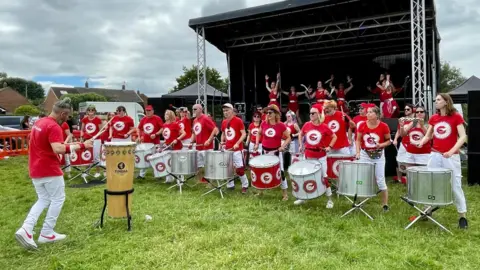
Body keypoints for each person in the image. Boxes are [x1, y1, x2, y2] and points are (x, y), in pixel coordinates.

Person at [15, 98, 93, 250]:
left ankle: (26, 228)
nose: (68, 118)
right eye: (68, 116)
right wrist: (83, 145)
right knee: (58, 198)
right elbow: (58, 148)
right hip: (49, 169)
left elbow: (48, 145)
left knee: (43, 199)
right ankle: (46, 232)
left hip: (35, 168)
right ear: (63, 113)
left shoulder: (39, 122)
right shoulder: (54, 127)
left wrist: (76, 145)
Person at [417, 93, 468, 229]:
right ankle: (427, 210)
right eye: (436, 100)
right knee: (431, 181)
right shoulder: (434, 118)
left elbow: (463, 137)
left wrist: (451, 151)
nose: (436, 101)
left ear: (446, 102)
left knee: (455, 185)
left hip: (451, 157)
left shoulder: (456, 117)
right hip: (435, 155)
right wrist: (422, 141)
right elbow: (429, 135)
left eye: (438, 100)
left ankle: (462, 216)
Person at [296, 103, 337, 207]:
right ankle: (303, 197)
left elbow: (334, 136)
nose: (311, 115)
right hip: (308, 155)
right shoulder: (306, 125)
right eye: (310, 113)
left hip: (320, 156)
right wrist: (301, 144)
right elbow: (301, 134)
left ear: (319, 114)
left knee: (324, 177)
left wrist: (329, 147)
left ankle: (330, 200)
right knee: (304, 176)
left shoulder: (324, 127)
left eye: (313, 113)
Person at [356, 105, 391, 212]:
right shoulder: (362, 125)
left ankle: (385, 205)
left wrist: (381, 145)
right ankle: (361, 202)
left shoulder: (384, 126)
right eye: (368, 112)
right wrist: (357, 152)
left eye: (371, 112)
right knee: (363, 178)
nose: (368, 114)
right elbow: (358, 140)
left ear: (377, 115)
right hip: (365, 154)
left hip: (378, 155)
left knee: (380, 180)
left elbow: (389, 141)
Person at [254, 104, 290, 201]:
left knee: (281, 172)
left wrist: (283, 146)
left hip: (276, 152)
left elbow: (289, 137)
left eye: (270, 112)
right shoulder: (264, 124)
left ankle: (285, 194)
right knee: (262, 170)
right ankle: (260, 191)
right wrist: (257, 143)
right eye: (267, 113)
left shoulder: (281, 125)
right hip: (265, 151)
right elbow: (259, 133)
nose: (268, 114)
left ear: (276, 114)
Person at [220, 103, 249, 193]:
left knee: (239, 169)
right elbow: (223, 133)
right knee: (228, 168)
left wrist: (237, 143)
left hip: (237, 149)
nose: (225, 112)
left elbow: (244, 134)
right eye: (224, 111)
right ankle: (230, 185)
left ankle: (245, 185)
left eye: (227, 110)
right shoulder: (224, 122)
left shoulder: (238, 121)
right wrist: (222, 142)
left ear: (232, 110)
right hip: (228, 149)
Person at [191, 104, 219, 184]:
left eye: (195, 109)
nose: (193, 110)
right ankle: (201, 180)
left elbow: (215, 129)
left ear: (200, 109)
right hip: (198, 147)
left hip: (207, 147)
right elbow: (194, 132)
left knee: (209, 165)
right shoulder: (195, 120)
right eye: (193, 109)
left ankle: (211, 181)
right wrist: (191, 141)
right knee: (199, 165)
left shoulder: (205, 118)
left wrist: (209, 140)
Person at [137, 105, 164, 179]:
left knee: (156, 158)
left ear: (152, 111)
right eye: (146, 111)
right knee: (143, 158)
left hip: (154, 142)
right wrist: (139, 136)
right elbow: (139, 128)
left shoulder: (157, 118)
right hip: (145, 142)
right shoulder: (143, 119)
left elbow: (162, 128)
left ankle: (158, 174)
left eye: (149, 111)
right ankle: (141, 175)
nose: (148, 112)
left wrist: (156, 134)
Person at [162, 109, 186, 183]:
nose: (165, 116)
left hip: (176, 147)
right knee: (167, 162)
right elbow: (166, 136)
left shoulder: (175, 124)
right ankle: (169, 179)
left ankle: (180, 179)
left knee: (178, 163)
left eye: (167, 114)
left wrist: (177, 139)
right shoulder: (164, 125)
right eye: (165, 114)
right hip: (168, 146)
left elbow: (184, 133)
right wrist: (164, 142)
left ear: (170, 116)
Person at [393, 104, 415, 183]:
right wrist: (395, 139)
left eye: (408, 109)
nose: (406, 111)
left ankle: (409, 178)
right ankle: (399, 179)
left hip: (413, 143)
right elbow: (398, 131)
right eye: (405, 109)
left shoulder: (416, 120)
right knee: (399, 160)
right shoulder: (402, 120)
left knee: (411, 162)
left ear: (413, 110)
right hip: (404, 143)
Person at [80, 105, 103, 178]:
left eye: (92, 110)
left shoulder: (98, 119)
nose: (90, 112)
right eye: (89, 111)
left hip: (96, 140)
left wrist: (95, 136)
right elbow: (82, 129)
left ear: (94, 111)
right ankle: (86, 171)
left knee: (96, 156)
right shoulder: (85, 119)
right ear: (87, 111)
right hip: (87, 140)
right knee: (87, 155)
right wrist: (81, 137)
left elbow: (101, 130)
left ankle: (98, 172)